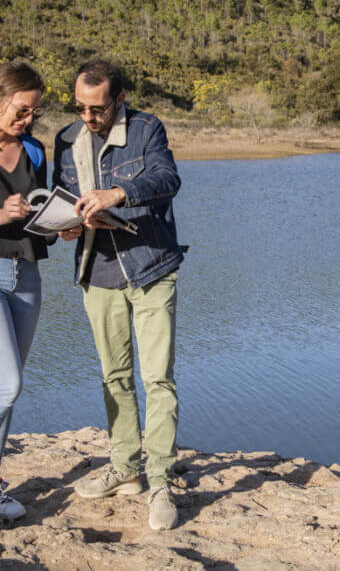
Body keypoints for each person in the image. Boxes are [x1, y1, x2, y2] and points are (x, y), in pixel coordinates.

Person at [53, 60, 184, 530]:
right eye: (80, 108)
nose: (87, 117)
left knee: (158, 380)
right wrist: (68, 225)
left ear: (119, 99)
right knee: (115, 376)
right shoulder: (65, 139)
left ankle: (162, 480)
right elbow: (64, 198)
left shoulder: (148, 129)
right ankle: (126, 469)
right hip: (97, 268)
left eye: (97, 108)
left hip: (150, 267)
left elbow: (167, 181)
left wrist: (117, 194)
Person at [0, 62, 50, 521]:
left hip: (26, 273)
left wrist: (62, 224)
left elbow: (39, 214)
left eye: (33, 112)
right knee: (7, 385)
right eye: (21, 109)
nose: (28, 120)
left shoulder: (33, 150)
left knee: (5, 388)